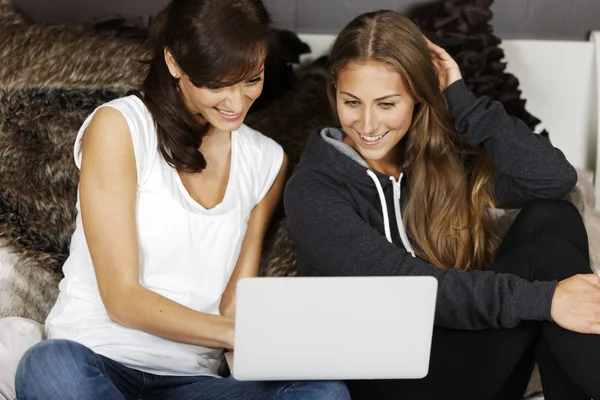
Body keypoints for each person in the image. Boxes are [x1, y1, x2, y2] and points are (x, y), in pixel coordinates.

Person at [14, 1, 350, 399]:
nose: (237, 103)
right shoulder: (120, 126)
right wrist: (236, 332)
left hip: (193, 383)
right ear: (174, 61)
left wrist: (276, 344)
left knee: (322, 389)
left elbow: (234, 303)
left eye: (251, 80)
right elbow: (122, 299)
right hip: (96, 360)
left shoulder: (266, 161)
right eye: (217, 85)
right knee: (49, 365)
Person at [284, 10, 600, 400]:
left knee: (553, 217)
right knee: (547, 263)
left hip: (456, 354)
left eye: (386, 104)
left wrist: (462, 101)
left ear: (417, 96)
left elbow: (553, 181)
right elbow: (410, 288)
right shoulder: (314, 190)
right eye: (352, 102)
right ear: (334, 91)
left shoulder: (428, 160)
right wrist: (547, 299)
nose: (366, 125)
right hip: (387, 379)